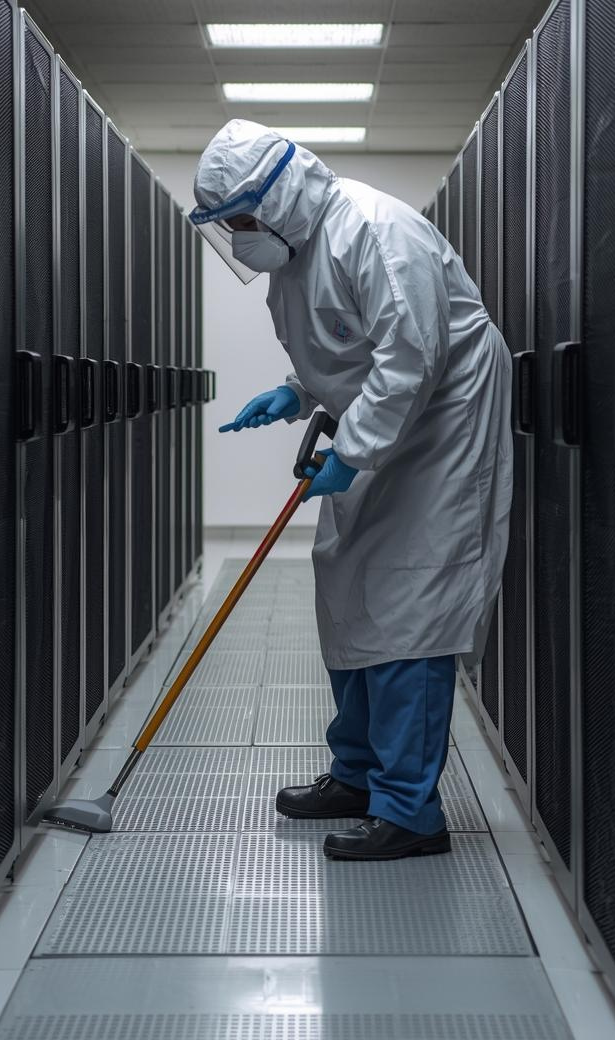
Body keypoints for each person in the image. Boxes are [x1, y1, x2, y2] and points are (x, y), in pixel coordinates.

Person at [191, 119, 513, 861]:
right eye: (227, 225)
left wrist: (353, 450)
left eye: (241, 219)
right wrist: (297, 394)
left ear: (284, 194)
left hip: (442, 426)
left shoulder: (376, 230)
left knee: (410, 599)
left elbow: (411, 359)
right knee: (347, 583)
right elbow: (344, 348)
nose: (239, 238)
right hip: (382, 424)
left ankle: (410, 810)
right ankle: (359, 774)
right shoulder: (295, 260)